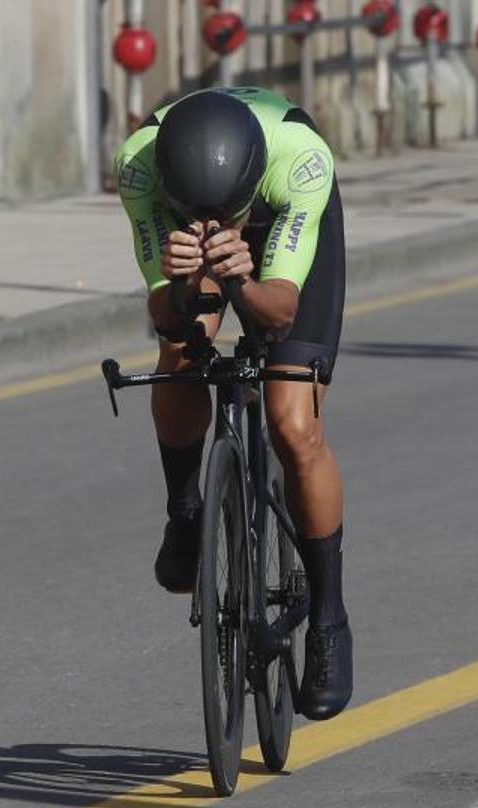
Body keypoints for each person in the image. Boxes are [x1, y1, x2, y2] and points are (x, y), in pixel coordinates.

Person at [114, 87, 350, 721]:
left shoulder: (301, 162)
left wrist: (242, 278)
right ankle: (186, 510)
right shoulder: (139, 166)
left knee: (292, 424)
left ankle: (328, 618)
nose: (212, 227)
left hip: (284, 236)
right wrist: (187, 281)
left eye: (221, 218)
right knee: (182, 354)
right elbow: (166, 315)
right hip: (199, 238)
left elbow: (281, 310)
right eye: (197, 217)